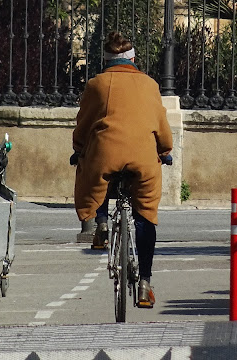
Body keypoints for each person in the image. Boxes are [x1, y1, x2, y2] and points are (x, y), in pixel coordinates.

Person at [71, 31, 173, 308]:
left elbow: (84, 123)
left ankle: (101, 223)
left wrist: (78, 149)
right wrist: (165, 151)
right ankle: (145, 284)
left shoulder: (96, 84)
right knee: (146, 214)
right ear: (134, 59)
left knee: (95, 170)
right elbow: (161, 125)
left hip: (106, 154)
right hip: (143, 158)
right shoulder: (150, 85)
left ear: (106, 60)